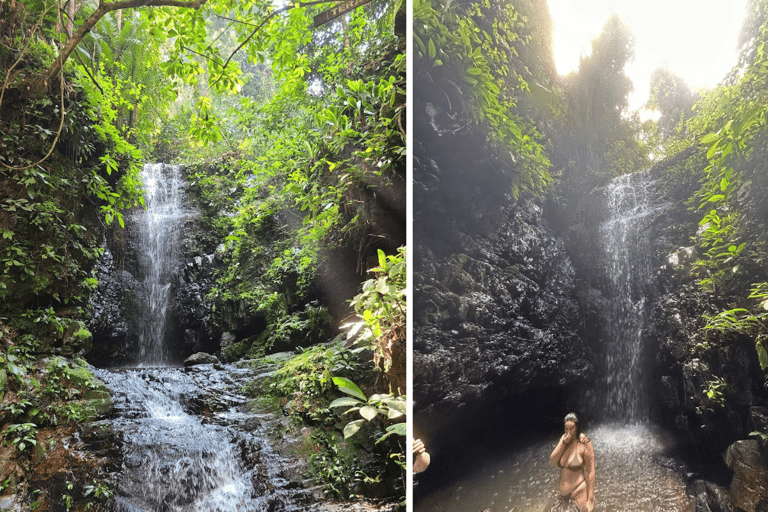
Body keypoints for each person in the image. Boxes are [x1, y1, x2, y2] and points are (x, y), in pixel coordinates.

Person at [549, 412, 596, 512]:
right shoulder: (564, 439)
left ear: (577, 427)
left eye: (572, 428)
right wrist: (564, 443)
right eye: (566, 429)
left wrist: (590, 499)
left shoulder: (584, 443)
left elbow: (591, 471)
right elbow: (552, 461)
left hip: (579, 491)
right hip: (563, 497)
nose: (569, 431)